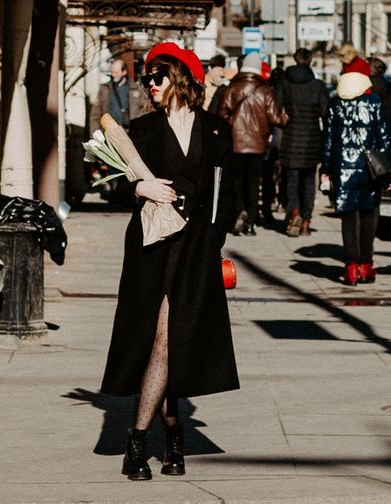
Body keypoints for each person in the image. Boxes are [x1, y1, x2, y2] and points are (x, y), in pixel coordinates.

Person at [101, 43, 240, 481]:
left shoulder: (216, 130)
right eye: (147, 79)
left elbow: (228, 195)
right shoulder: (142, 130)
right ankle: (153, 438)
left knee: (173, 339)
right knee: (159, 339)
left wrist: (214, 240)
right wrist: (139, 188)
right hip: (152, 249)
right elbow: (114, 185)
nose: (151, 85)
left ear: (180, 77)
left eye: (157, 77)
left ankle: (154, 439)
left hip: (196, 248)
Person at [324, 58, 391, 285]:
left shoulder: (335, 104)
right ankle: (366, 265)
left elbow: (328, 140)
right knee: (369, 214)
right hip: (370, 169)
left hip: (342, 168)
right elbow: (385, 137)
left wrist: (325, 168)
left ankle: (350, 267)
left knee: (348, 217)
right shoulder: (375, 102)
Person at [217, 53, 287, 236]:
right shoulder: (265, 90)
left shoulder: (232, 87)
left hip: (236, 142)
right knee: (254, 183)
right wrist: (284, 118)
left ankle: (239, 211)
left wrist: (233, 123)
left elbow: (221, 114)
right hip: (258, 144)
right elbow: (274, 117)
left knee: (237, 182)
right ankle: (250, 223)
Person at [275, 48, 328, 236]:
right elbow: (324, 112)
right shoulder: (319, 86)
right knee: (308, 181)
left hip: (291, 137)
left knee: (291, 180)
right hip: (312, 138)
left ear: (295, 60)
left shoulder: (285, 83)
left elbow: (276, 108)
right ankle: (306, 221)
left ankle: (294, 212)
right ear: (311, 61)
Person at [98, 58, 132, 131]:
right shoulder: (105, 88)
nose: (113, 75)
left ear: (124, 72)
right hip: (109, 130)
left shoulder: (134, 88)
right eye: (112, 72)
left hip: (128, 131)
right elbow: (96, 113)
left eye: (116, 73)